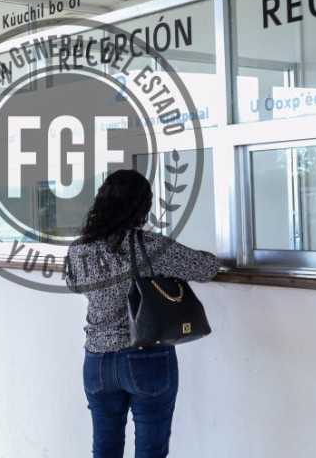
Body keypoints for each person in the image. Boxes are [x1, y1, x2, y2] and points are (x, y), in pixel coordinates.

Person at [65, 170, 219, 458]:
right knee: (151, 451)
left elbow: (74, 285)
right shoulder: (147, 245)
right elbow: (206, 268)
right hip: (145, 358)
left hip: (97, 361)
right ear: (141, 206)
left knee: (105, 450)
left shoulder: (79, 249)